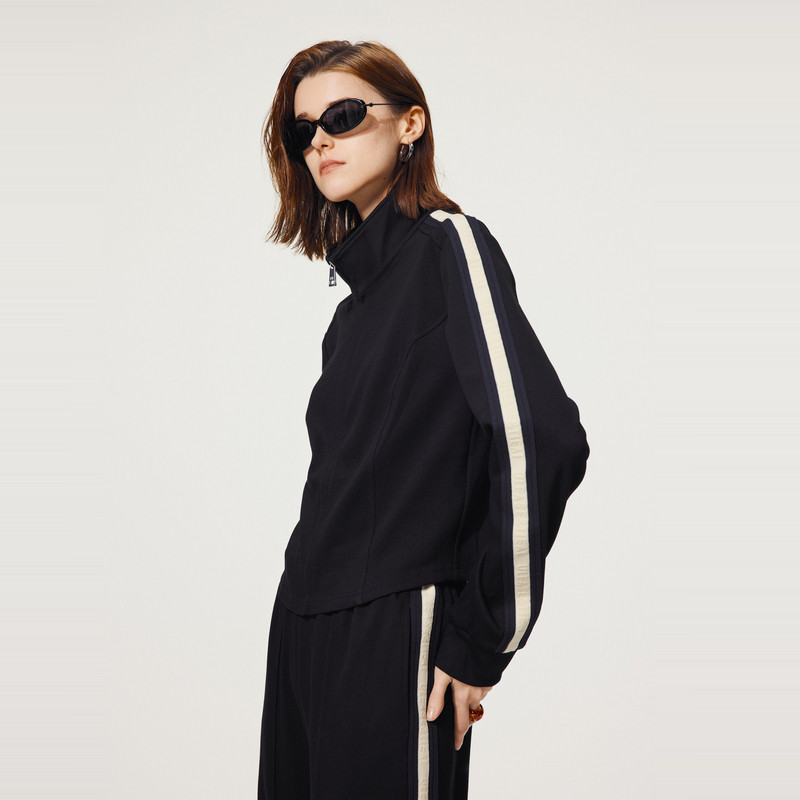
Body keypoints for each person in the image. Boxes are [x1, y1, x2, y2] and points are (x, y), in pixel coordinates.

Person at [257, 39, 590, 800]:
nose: (321, 141)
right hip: (301, 626)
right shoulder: (350, 315)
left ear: (410, 123)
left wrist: (482, 638)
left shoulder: (450, 247)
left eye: (343, 115)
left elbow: (537, 437)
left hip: (392, 629)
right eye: (303, 130)